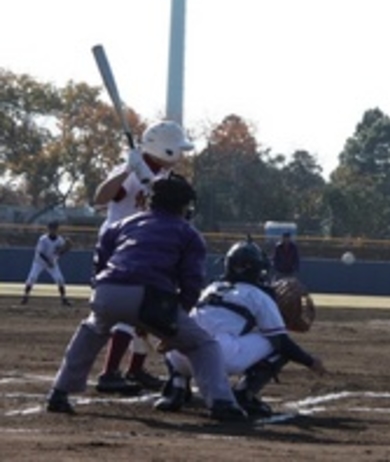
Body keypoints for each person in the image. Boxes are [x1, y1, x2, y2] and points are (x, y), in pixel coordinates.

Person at [45, 173, 247, 422]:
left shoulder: (125, 223)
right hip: (150, 295)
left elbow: (101, 259)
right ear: (184, 205)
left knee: (91, 330)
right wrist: (173, 321)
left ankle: (59, 392)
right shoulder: (189, 233)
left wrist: (102, 291)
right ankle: (221, 402)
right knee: (204, 345)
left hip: (107, 290)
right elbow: (191, 283)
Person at [154, 240, 327, 417]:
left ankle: (177, 386)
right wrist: (310, 361)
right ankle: (244, 394)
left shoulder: (210, 289)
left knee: (180, 335)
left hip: (179, 357)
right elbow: (281, 342)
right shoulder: (258, 296)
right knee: (274, 341)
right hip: (217, 359)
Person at [92, 120, 194, 394]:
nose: (181, 156)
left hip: (147, 246)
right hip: (119, 246)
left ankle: (135, 368)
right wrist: (128, 168)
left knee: (149, 307)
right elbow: (100, 198)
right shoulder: (131, 170)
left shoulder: (165, 179)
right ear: (166, 148)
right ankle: (109, 372)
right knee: (128, 310)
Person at [21, 220, 72, 306]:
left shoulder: (60, 240)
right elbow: (40, 253)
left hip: (52, 263)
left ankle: (64, 299)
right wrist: (49, 262)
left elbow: (60, 252)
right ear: (48, 229)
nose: (53, 230)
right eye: (51, 228)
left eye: (55, 228)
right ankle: (25, 297)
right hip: (39, 262)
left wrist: (66, 249)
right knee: (32, 278)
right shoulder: (43, 239)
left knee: (60, 279)